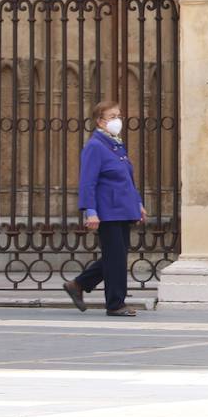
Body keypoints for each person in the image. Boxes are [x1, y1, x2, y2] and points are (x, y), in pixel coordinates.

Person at [63, 100, 147, 317]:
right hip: (108, 211)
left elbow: (128, 178)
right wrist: (90, 211)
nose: (117, 120)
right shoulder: (95, 146)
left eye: (118, 116)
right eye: (112, 117)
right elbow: (88, 182)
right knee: (116, 258)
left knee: (115, 257)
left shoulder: (116, 144)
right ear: (100, 122)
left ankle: (78, 285)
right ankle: (115, 304)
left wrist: (137, 203)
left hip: (123, 208)